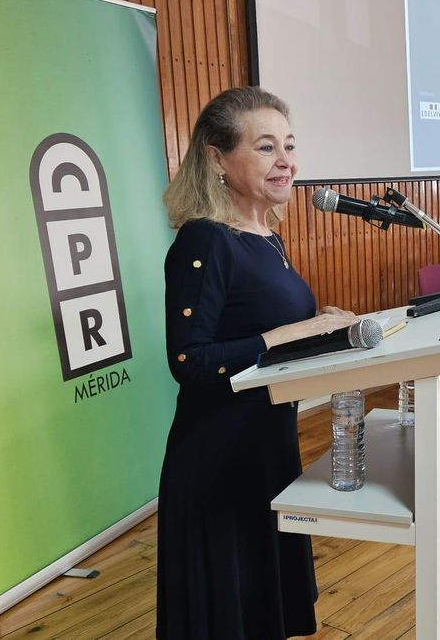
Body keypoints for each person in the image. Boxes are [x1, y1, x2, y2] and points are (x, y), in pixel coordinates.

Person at [156, 86, 357, 639]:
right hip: (218, 455)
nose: (286, 161)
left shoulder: (268, 237)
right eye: (266, 147)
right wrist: (292, 330)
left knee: (262, 607)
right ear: (217, 158)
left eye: (289, 146)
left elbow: (266, 337)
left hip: (267, 442)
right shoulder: (205, 240)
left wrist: (326, 328)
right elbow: (188, 361)